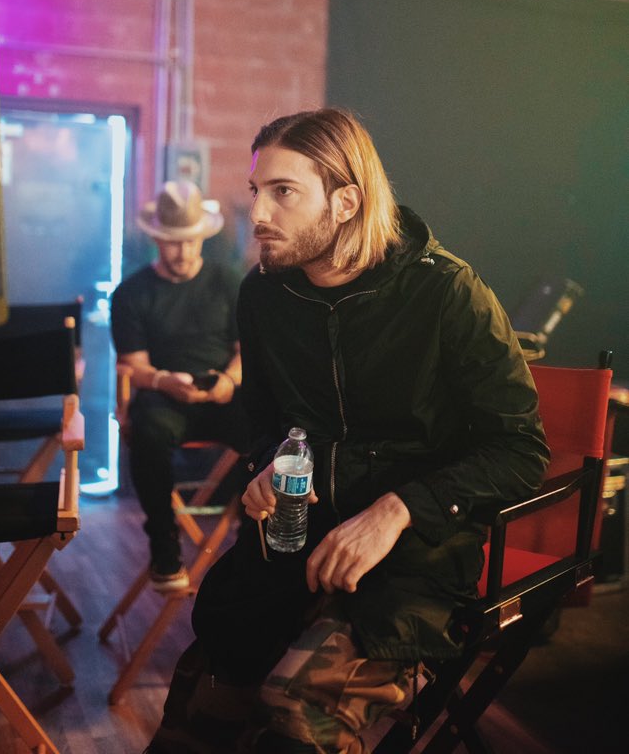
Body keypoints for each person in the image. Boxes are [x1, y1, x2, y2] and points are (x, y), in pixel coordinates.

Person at [145, 109, 550, 753]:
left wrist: (397, 510)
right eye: (256, 190)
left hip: (413, 556)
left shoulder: (446, 291)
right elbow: (266, 425)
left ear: (346, 202)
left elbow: (520, 448)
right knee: (202, 709)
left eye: (283, 191)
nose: (258, 213)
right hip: (294, 541)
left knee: (294, 715)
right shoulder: (263, 294)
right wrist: (265, 467)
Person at [111, 179, 250, 592]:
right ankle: (164, 542)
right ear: (157, 239)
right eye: (173, 242)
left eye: (191, 241)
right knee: (148, 431)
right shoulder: (131, 293)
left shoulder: (228, 281)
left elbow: (246, 352)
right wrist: (163, 381)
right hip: (164, 398)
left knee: (268, 425)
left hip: (222, 393)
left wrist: (228, 382)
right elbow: (132, 366)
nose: (184, 251)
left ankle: (252, 533)